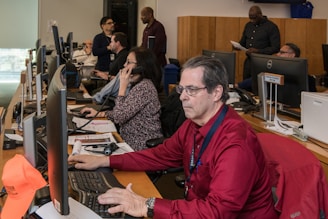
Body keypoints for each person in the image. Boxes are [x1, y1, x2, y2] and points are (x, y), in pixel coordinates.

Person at [69, 55, 279, 218]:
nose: (182, 97)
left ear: (216, 93)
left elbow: (217, 213)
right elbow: (158, 155)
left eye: (191, 90)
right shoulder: (193, 124)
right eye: (181, 88)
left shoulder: (236, 144)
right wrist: (106, 160)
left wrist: (147, 205)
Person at [81, 47, 163, 151]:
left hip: (139, 147)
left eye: (129, 62)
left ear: (141, 67)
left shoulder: (144, 88)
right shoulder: (138, 85)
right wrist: (100, 113)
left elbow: (119, 117)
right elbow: (122, 112)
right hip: (128, 142)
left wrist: (122, 87)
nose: (124, 65)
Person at [237, 42, 317, 92]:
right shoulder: (275, 70)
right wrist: (238, 85)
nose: (278, 54)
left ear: (292, 55)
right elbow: (256, 79)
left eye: (282, 52)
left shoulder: (302, 76)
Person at [238, 5, 280, 80]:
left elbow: (276, 47)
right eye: (250, 18)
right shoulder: (248, 25)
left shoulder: (271, 27)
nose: (252, 20)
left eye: (254, 18)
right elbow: (243, 42)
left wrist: (258, 51)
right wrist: (238, 46)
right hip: (249, 62)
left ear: (260, 15)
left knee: (259, 86)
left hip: (263, 63)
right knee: (245, 86)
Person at [91, 32, 129, 97]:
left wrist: (108, 77)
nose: (110, 44)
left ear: (118, 43)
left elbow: (123, 78)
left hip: (116, 90)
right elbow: (116, 73)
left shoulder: (123, 57)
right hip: (112, 87)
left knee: (94, 93)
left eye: (111, 42)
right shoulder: (119, 55)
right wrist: (103, 73)